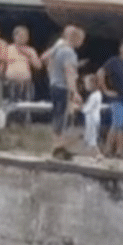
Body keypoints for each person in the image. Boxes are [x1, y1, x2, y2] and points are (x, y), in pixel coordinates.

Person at [47, 25, 83, 160]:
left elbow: (49, 65)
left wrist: (52, 79)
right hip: (63, 87)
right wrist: (74, 92)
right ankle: (59, 148)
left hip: (54, 85)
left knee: (57, 117)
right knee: (64, 118)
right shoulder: (69, 52)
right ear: (77, 39)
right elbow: (70, 72)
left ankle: (58, 147)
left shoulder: (57, 50)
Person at [2, 25, 41, 126]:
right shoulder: (8, 48)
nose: (23, 38)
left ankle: (24, 125)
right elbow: (2, 66)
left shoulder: (31, 50)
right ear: (14, 36)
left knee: (25, 105)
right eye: (20, 35)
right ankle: (10, 125)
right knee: (10, 104)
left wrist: (29, 55)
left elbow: (38, 66)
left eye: (25, 36)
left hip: (25, 83)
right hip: (11, 82)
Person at [80, 74, 104, 157]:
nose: (86, 86)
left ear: (93, 84)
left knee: (92, 139)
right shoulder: (96, 94)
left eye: (87, 84)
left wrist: (79, 106)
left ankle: (98, 155)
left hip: (92, 120)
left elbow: (87, 109)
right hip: (92, 119)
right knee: (90, 138)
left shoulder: (95, 95)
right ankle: (92, 156)